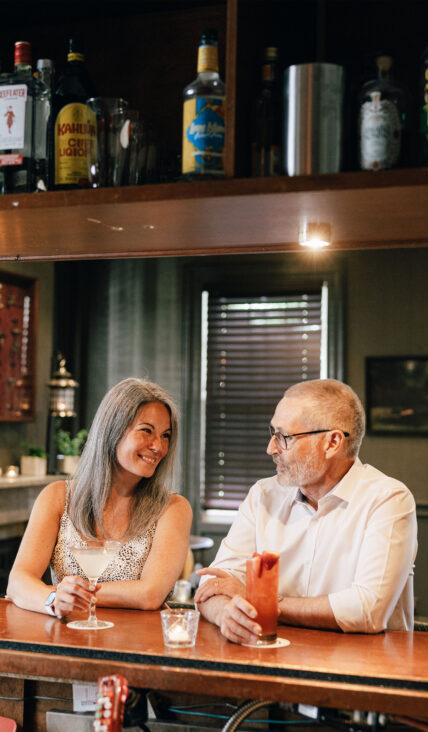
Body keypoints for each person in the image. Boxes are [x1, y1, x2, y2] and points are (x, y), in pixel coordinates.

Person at [195, 379, 417, 643]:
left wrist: (261, 602)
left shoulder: (388, 499)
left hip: (365, 671)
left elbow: (367, 610)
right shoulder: (263, 495)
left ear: (332, 442)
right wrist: (225, 614)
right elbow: (212, 586)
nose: (271, 448)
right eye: (273, 433)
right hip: (272, 659)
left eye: (284, 437)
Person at [7, 378, 192, 619]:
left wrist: (70, 596)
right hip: (66, 640)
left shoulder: (173, 508)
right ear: (112, 430)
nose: (158, 446)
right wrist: (53, 599)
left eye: (165, 435)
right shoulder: (56, 497)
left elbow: (150, 595)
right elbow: (18, 582)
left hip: (140, 647)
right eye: (146, 430)